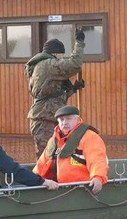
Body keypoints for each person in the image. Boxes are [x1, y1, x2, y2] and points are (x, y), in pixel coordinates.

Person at [26, 29, 86, 158]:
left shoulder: (43, 65)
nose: (61, 59)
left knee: (54, 155)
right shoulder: (47, 64)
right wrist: (79, 43)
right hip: (44, 120)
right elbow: (75, 65)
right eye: (61, 55)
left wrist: (72, 89)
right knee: (46, 157)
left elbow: (52, 96)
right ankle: (42, 179)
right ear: (55, 53)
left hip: (46, 117)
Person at [34, 105, 109, 194]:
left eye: (69, 119)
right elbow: (42, 164)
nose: (64, 123)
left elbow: (97, 160)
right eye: (61, 120)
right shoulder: (53, 140)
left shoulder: (90, 137)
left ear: (77, 120)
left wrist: (98, 177)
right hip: (57, 188)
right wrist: (33, 179)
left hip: (82, 189)